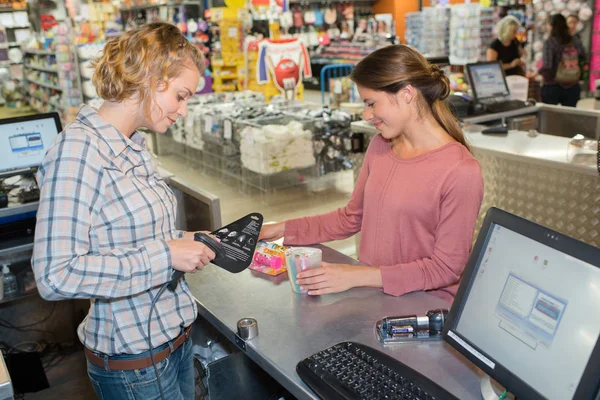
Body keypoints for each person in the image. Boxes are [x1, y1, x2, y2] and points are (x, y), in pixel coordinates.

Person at [32, 23, 214, 400]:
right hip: (135, 365)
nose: (182, 110)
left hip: (174, 344)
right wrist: (166, 255)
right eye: (180, 96)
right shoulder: (78, 152)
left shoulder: (132, 144)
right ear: (150, 76)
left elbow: (133, 235)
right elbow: (54, 274)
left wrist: (188, 240)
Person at [260, 45, 484, 303]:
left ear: (406, 94)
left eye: (371, 103)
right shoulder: (380, 146)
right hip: (374, 297)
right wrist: (280, 229)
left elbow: (445, 269)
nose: (367, 116)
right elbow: (350, 219)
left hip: (423, 309)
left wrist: (356, 276)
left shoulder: (461, 171)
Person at [540, 14, 587, 107]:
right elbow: (583, 57)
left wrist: (540, 74)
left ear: (552, 26)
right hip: (573, 83)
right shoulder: (575, 39)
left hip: (553, 85)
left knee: (549, 116)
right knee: (569, 116)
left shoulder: (550, 42)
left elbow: (547, 65)